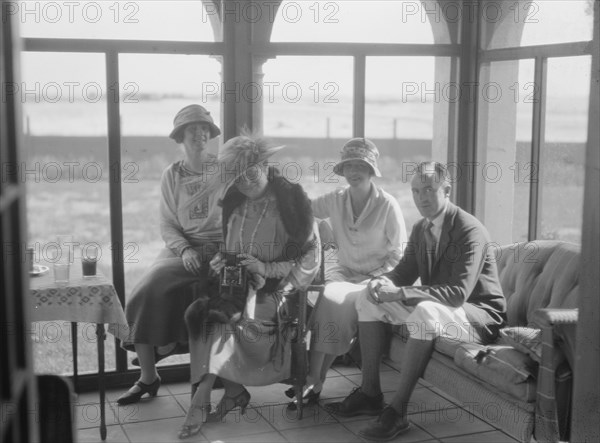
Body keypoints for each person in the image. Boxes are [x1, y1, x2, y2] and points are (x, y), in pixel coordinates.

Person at [325, 161, 507, 441]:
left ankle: (397, 413)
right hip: (445, 312)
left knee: (424, 311)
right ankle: (370, 393)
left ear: (447, 190)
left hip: (478, 317)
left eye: (429, 190)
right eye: (416, 191)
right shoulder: (422, 227)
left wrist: (400, 293)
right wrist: (382, 282)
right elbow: (403, 273)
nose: (421, 198)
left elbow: (458, 293)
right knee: (368, 298)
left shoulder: (469, 230)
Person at [176, 133, 321, 439]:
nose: (245, 181)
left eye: (250, 171)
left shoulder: (293, 202)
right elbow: (228, 249)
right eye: (236, 177)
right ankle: (232, 392)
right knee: (200, 314)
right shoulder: (235, 202)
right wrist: (220, 264)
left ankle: (201, 400)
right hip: (236, 290)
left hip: (277, 296)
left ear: (265, 164)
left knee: (223, 324)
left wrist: (265, 269)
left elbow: (310, 257)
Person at [287, 138, 407, 410]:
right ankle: (314, 379)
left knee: (335, 305)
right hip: (342, 274)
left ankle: (313, 380)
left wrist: (376, 278)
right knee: (330, 299)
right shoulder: (336, 199)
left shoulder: (388, 205)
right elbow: (303, 210)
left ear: (371, 169)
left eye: (360, 165)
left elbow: (399, 254)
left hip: (375, 280)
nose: (354, 171)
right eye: (349, 165)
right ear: (342, 170)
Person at [117, 105, 224, 405]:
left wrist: (225, 252)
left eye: (205, 129)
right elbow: (167, 223)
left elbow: (240, 217)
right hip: (182, 247)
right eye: (193, 129)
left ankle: (170, 347)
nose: (200, 134)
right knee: (146, 289)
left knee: (183, 290)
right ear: (180, 136)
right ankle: (148, 377)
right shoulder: (172, 175)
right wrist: (185, 249)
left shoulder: (224, 169)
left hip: (219, 250)